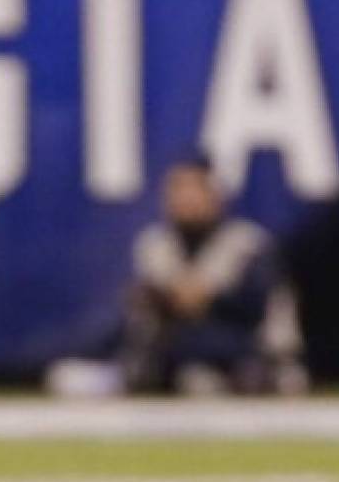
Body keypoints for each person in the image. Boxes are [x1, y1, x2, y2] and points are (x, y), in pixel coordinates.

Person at [48, 155, 307, 398]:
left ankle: (218, 378)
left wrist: (208, 299)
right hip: (179, 350)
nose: (187, 199)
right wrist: (172, 299)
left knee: (220, 348)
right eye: (178, 190)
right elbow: (148, 306)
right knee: (155, 343)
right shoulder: (156, 244)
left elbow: (254, 308)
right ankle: (122, 374)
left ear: (215, 195)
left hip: (248, 349)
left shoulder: (248, 243)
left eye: (195, 189)